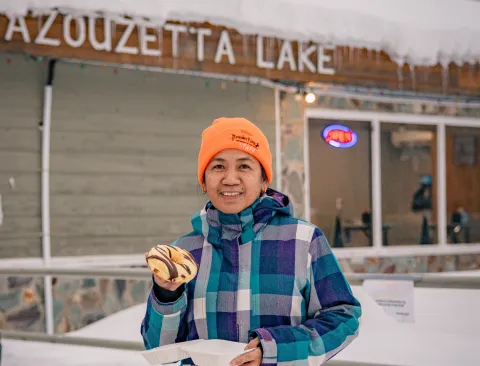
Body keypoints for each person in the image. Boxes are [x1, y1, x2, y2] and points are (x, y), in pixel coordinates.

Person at [141, 117, 361, 366]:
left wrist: (275, 350)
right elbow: (158, 348)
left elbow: (343, 317)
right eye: (218, 167)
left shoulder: (304, 240)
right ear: (203, 180)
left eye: (244, 166)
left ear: (264, 180)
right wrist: (167, 295)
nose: (230, 179)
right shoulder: (185, 252)